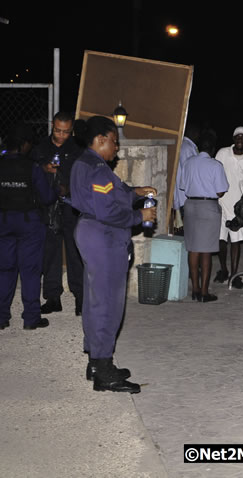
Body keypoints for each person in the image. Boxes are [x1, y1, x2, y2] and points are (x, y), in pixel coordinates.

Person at [70, 116, 157, 393]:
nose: (117, 149)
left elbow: (113, 194)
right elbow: (108, 210)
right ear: (101, 139)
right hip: (103, 235)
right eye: (114, 142)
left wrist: (136, 192)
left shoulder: (86, 162)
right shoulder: (96, 169)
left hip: (93, 232)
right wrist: (139, 214)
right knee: (108, 303)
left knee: (96, 298)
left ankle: (96, 361)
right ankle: (104, 372)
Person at [0, 124, 57, 330]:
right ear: (24, 144)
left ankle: (1, 317)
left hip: (3, 223)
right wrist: (57, 189)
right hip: (29, 224)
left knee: (4, 270)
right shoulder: (32, 167)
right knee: (30, 271)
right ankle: (31, 318)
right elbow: (47, 197)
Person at [31, 112, 85, 316]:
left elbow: (83, 178)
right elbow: (31, 173)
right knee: (50, 252)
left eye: (66, 132)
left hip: (72, 206)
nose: (61, 135)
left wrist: (68, 189)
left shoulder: (77, 149)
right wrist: (44, 169)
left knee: (75, 252)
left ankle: (80, 297)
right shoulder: (41, 148)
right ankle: (53, 298)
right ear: (52, 126)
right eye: (57, 130)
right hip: (48, 207)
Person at [179, 135, 229, 302]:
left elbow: (183, 186)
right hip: (208, 207)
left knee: (193, 249)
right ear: (213, 149)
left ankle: (195, 289)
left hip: (191, 205)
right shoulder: (215, 165)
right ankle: (204, 292)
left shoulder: (188, 163)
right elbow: (221, 191)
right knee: (206, 250)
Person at [215, 126, 243, 289]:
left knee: (236, 241)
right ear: (233, 139)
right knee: (220, 240)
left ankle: (234, 274)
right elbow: (214, 172)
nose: (240, 139)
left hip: (239, 206)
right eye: (237, 137)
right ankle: (224, 270)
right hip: (221, 202)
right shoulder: (222, 153)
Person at [172, 123, 200, 234]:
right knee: (188, 232)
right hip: (185, 197)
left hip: (183, 196)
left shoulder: (186, 145)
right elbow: (189, 173)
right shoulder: (187, 148)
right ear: (194, 133)